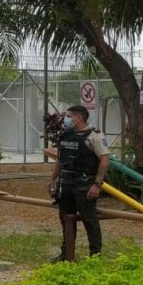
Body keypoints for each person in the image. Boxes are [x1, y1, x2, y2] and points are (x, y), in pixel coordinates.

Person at [47, 104, 110, 261]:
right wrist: (53, 179)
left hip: (84, 184)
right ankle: (67, 255)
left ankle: (95, 257)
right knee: (66, 219)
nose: (66, 119)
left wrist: (97, 185)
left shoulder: (94, 136)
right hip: (66, 182)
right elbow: (61, 159)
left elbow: (104, 161)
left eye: (69, 116)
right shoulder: (66, 135)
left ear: (79, 117)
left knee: (89, 220)